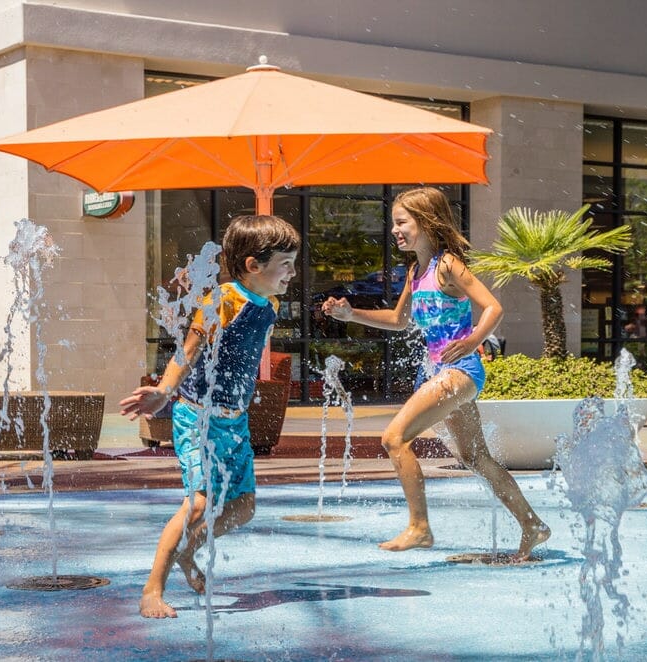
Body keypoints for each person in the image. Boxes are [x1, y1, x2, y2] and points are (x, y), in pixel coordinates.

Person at [322, 187, 550, 560]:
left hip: (459, 370)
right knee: (477, 458)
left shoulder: (449, 265)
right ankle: (532, 524)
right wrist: (352, 315)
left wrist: (474, 339)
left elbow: (493, 307)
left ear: (426, 223)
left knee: (394, 437)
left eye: (401, 222)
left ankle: (419, 527)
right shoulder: (416, 271)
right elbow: (399, 320)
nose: (394, 230)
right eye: (393, 223)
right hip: (438, 372)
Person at [119, 215, 299, 618]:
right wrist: (164, 391)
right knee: (198, 504)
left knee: (244, 506)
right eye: (285, 263)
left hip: (234, 422)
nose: (292, 272)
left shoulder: (269, 304)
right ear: (254, 265)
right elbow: (190, 349)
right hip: (198, 417)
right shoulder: (223, 299)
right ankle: (153, 589)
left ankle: (188, 551)